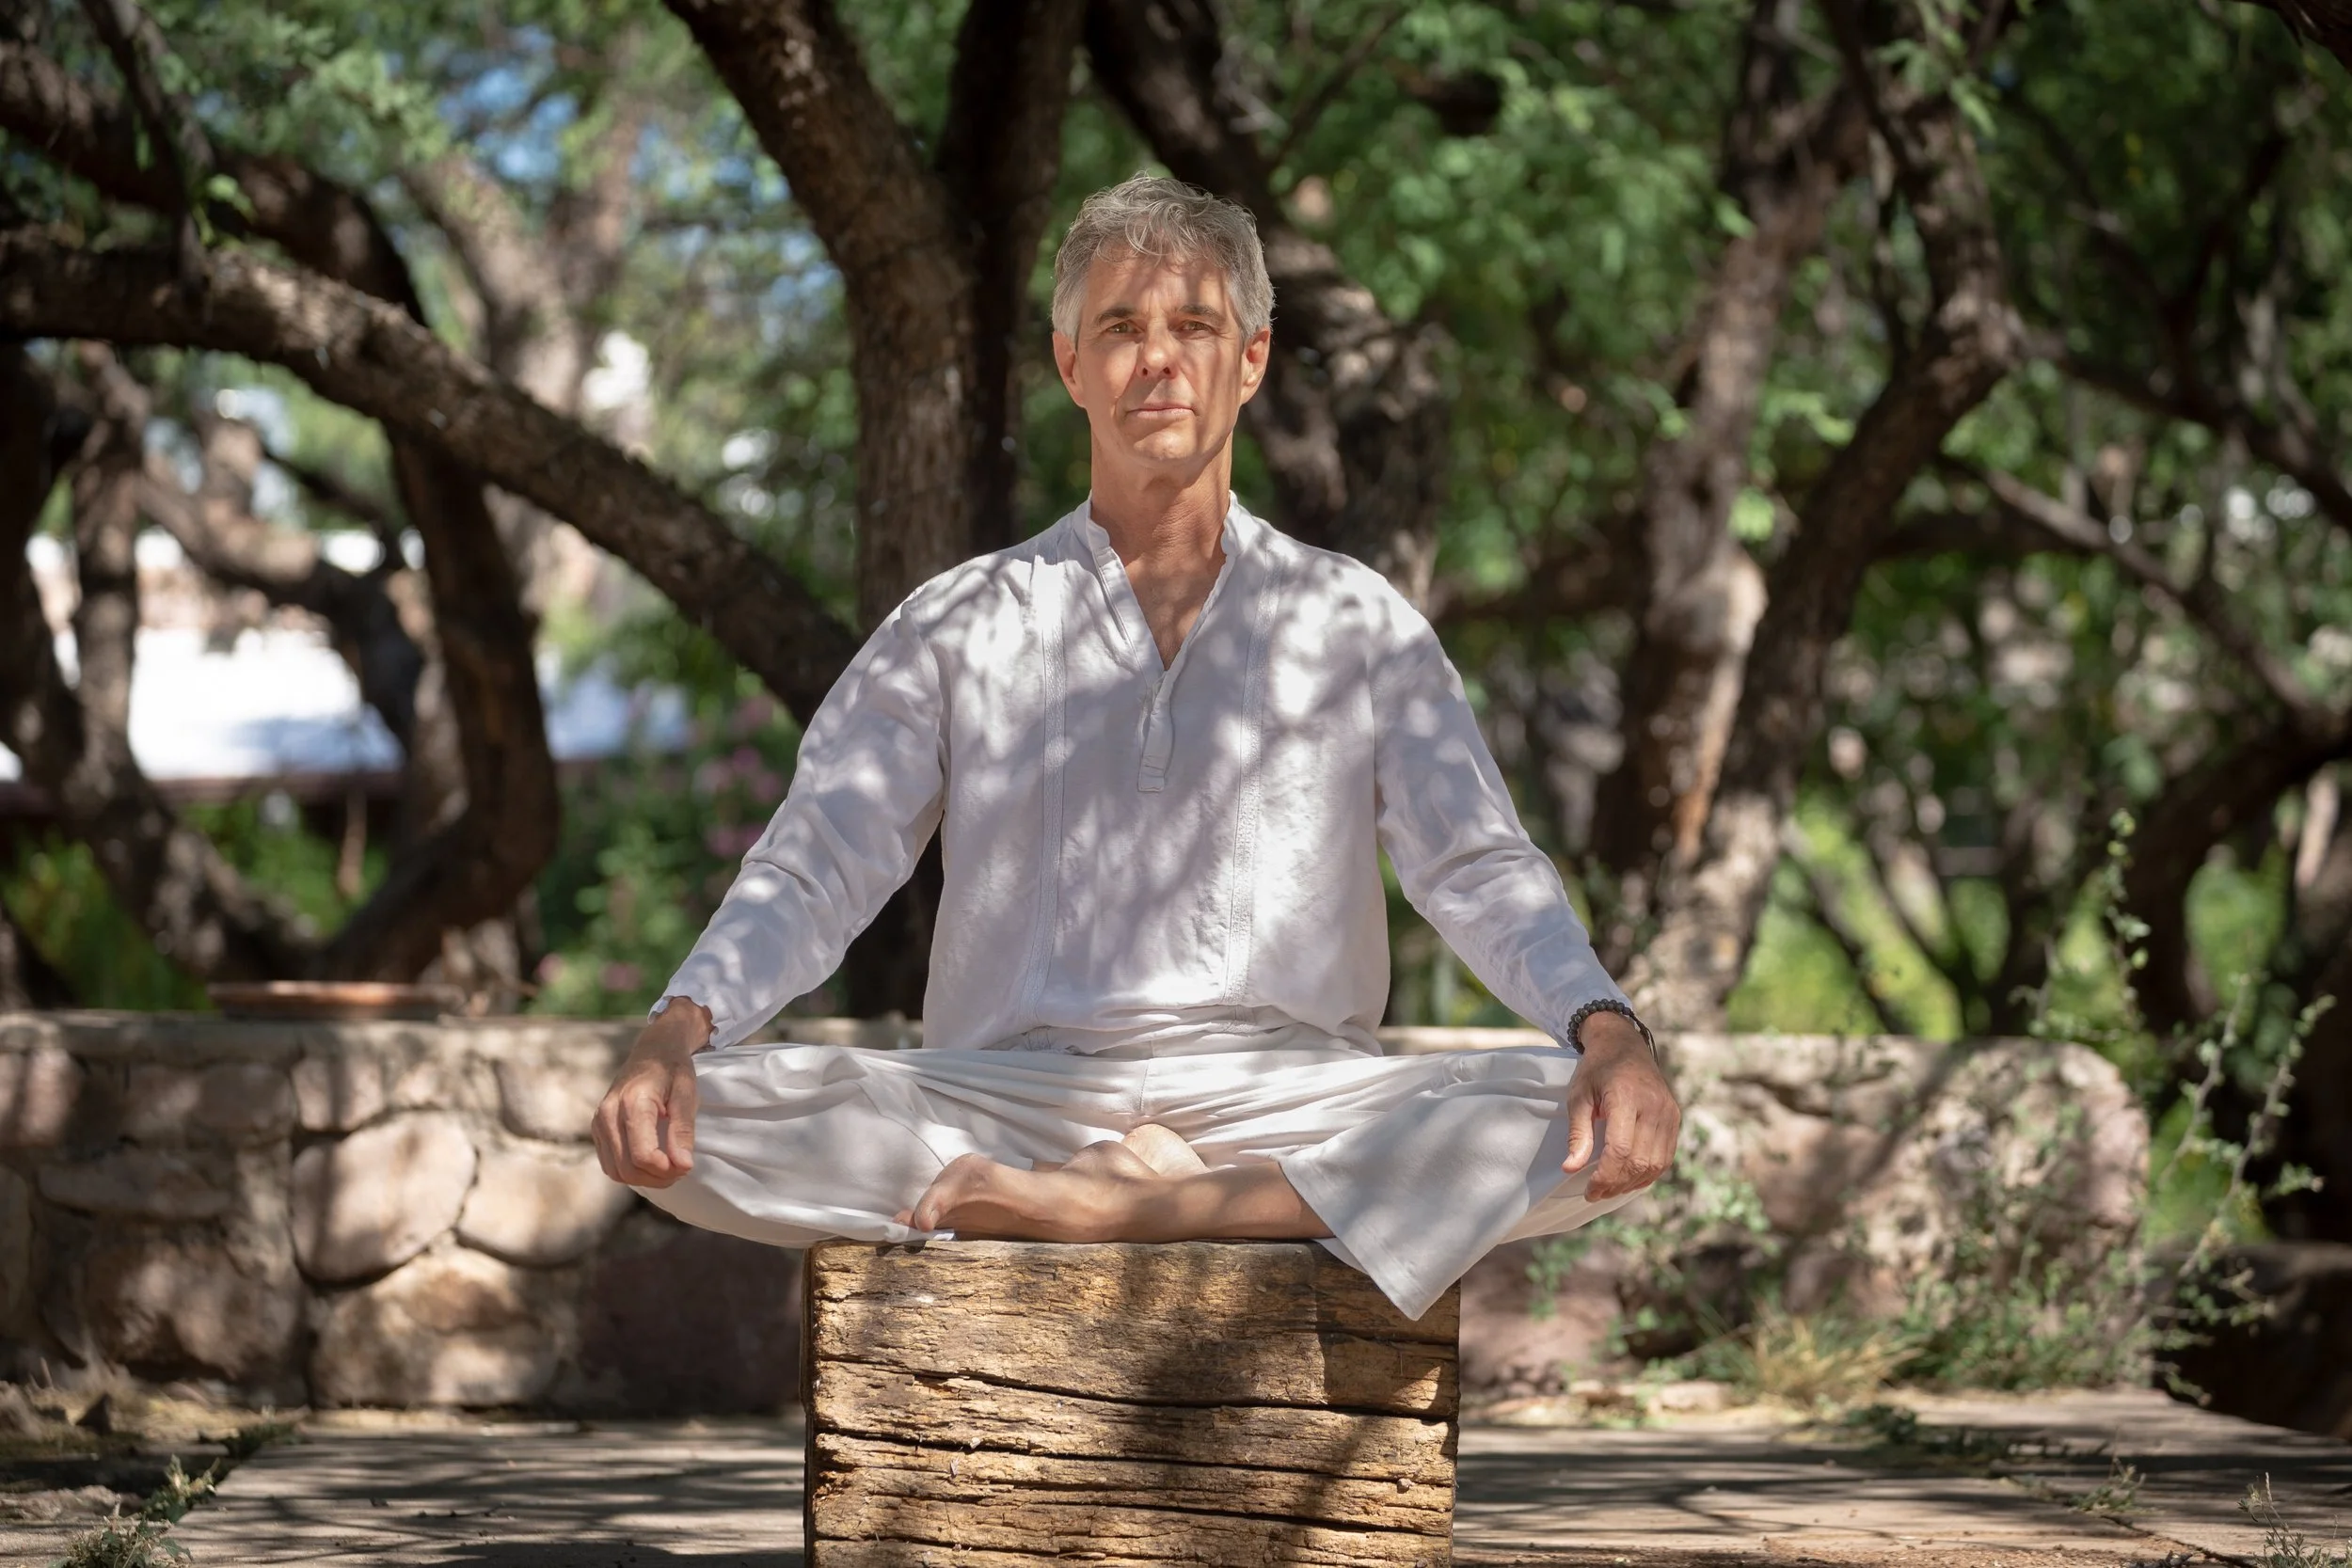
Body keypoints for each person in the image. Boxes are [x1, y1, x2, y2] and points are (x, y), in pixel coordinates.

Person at [592, 175, 1681, 1322]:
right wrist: (676, 1027)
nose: (1158, 359)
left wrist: (1606, 1030)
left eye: (1194, 327)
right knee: (698, 1116)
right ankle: (1216, 1201)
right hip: (1014, 1096)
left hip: (1289, 1095)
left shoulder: (1354, 622)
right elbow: (817, 859)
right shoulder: (960, 618)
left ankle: (1106, 1206)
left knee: (1551, 1106)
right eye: (1120, 328)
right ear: (1071, 368)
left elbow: (1474, 864)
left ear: (1251, 361)